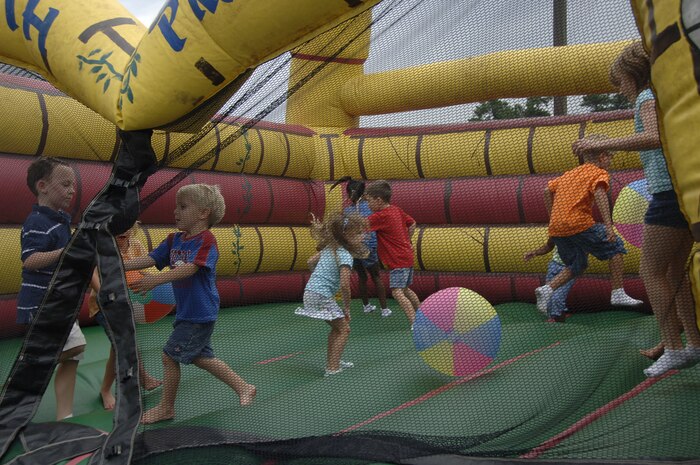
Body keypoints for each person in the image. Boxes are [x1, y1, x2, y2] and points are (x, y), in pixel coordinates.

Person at [573, 41, 700, 377]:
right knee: (673, 273)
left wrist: (600, 143)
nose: (620, 90)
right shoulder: (662, 95)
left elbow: (656, 137)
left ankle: (673, 346)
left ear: (633, 76)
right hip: (681, 193)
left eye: (620, 82)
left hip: (667, 196)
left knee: (651, 270)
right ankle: (692, 344)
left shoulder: (646, 96)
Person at [124, 184, 256, 424]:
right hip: (188, 313)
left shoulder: (206, 241)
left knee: (169, 356)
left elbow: (190, 268)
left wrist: (155, 281)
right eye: (176, 206)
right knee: (201, 357)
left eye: (183, 207)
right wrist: (120, 265)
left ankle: (166, 408)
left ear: (203, 213)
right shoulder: (174, 240)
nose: (175, 211)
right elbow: (151, 258)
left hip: (200, 312)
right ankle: (244, 387)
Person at [535, 142, 642, 315]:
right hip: (579, 224)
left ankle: (547, 289)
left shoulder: (570, 173)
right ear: (602, 157)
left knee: (578, 264)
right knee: (616, 249)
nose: (610, 162)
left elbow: (547, 190)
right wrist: (609, 227)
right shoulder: (599, 173)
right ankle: (617, 292)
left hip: (558, 229)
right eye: (610, 158)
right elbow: (600, 195)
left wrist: (553, 217)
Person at [17, 157, 86, 420]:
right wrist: (65, 251)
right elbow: (30, 260)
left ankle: (64, 416)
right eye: (65, 184)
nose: (72, 190)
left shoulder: (60, 221)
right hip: (42, 303)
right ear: (43, 186)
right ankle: (29, 369)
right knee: (76, 347)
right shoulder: (37, 221)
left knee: (73, 357)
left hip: (62, 300)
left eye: (73, 185)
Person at [88, 222, 162, 410]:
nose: (125, 230)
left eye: (128, 225)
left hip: (129, 303)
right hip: (105, 306)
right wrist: (104, 294)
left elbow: (144, 267)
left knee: (123, 343)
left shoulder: (135, 244)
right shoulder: (103, 247)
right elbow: (92, 272)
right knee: (121, 344)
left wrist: (153, 281)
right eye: (120, 225)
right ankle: (108, 389)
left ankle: (139, 377)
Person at [295, 212, 369, 376]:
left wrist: (319, 277)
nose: (362, 236)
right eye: (358, 233)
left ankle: (333, 359)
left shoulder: (331, 248)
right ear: (345, 236)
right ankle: (332, 368)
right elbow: (344, 284)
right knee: (345, 330)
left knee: (337, 329)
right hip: (320, 295)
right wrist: (347, 307)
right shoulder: (345, 256)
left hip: (310, 292)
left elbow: (310, 261)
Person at [364, 180, 420, 325]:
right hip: (407, 256)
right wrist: (408, 241)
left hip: (397, 260)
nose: (368, 205)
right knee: (406, 289)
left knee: (397, 292)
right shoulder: (396, 210)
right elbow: (412, 223)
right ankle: (422, 314)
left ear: (379, 200)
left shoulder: (380, 216)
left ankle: (415, 322)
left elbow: (361, 225)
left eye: (369, 201)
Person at [338, 178, 390, 317]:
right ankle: (384, 309)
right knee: (376, 276)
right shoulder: (369, 207)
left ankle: (366, 305)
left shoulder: (347, 210)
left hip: (353, 247)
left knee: (361, 276)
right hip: (369, 246)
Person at [524, 240, 574, 323]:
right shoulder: (557, 229)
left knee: (557, 298)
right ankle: (556, 315)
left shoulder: (581, 231)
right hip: (554, 266)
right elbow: (549, 246)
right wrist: (535, 252)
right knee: (549, 296)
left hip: (569, 269)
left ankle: (559, 322)